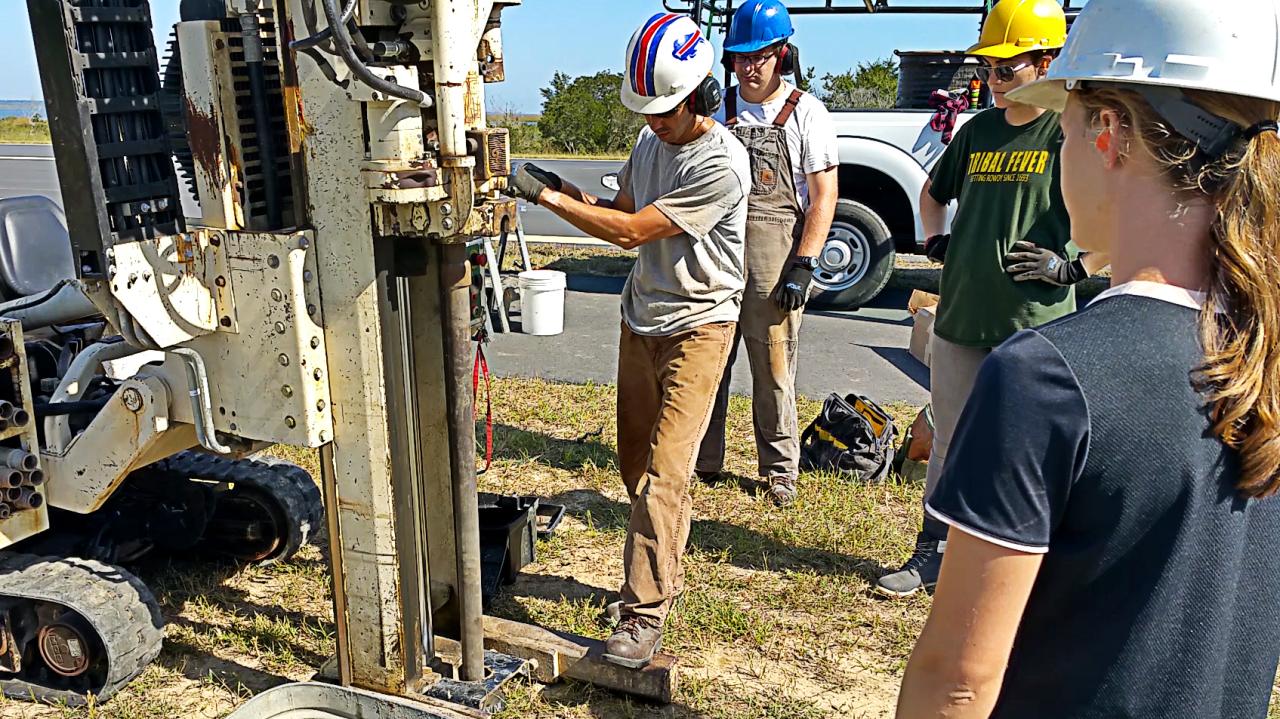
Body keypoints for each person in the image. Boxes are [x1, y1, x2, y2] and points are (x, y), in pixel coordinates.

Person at [896, 0, 1280, 716]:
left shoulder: (1048, 376)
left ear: (1107, 133)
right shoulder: (1261, 349)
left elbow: (957, 679)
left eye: (1062, 129)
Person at [506, 12, 750, 669]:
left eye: (664, 110)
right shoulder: (650, 145)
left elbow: (630, 234)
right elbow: (619, 209)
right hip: (641, 319)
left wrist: (547, 204)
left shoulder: (722, 164)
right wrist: (558, 186)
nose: (653, 122)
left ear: (699, 92)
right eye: (646, 111)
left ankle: (643, 616)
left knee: (665, 478)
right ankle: (660, 562)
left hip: (699, 327)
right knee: (635, 467)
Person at [876, 0, 1108, 598]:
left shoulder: (1070, 132)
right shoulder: (977, 131)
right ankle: (932, 553)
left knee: (1029, 448)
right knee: (950, 437)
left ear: (1048, 63)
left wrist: (1074, 269)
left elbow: (1123, 219)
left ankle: (1030, 570)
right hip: (960, 317)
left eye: (1007, 69)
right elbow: (932, 192)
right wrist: (935, 238)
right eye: (991, 69)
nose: (994, 81)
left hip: (1035, 325)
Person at [694, 0, 839, 506]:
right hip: (717, 253)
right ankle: (702, 459)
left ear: (783, 54)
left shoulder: (807, 113)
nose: (748, 68)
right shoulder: (716, 111)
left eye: (759, 56)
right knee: (708, 358)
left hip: (774, 258)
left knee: (774, 365)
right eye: (738, 58)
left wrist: (804, 263)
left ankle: (779, 469)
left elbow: (823, 197)